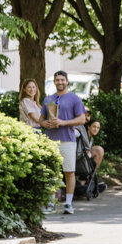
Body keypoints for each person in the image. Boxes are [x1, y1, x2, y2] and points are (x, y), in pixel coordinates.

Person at [40, 70, 88, 212]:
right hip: (50, 140)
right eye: (57, 80)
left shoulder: (74, 99)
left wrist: (63, 122)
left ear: (67, 81)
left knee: (69, 172)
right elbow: (41, 118)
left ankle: (68, 203)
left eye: (62, 80)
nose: (60, 82)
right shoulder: (48, 99)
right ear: (54, 82)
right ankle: (50, 203)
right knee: (50, 172)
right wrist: (44, 124)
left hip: (67, 140)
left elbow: (82, 119)